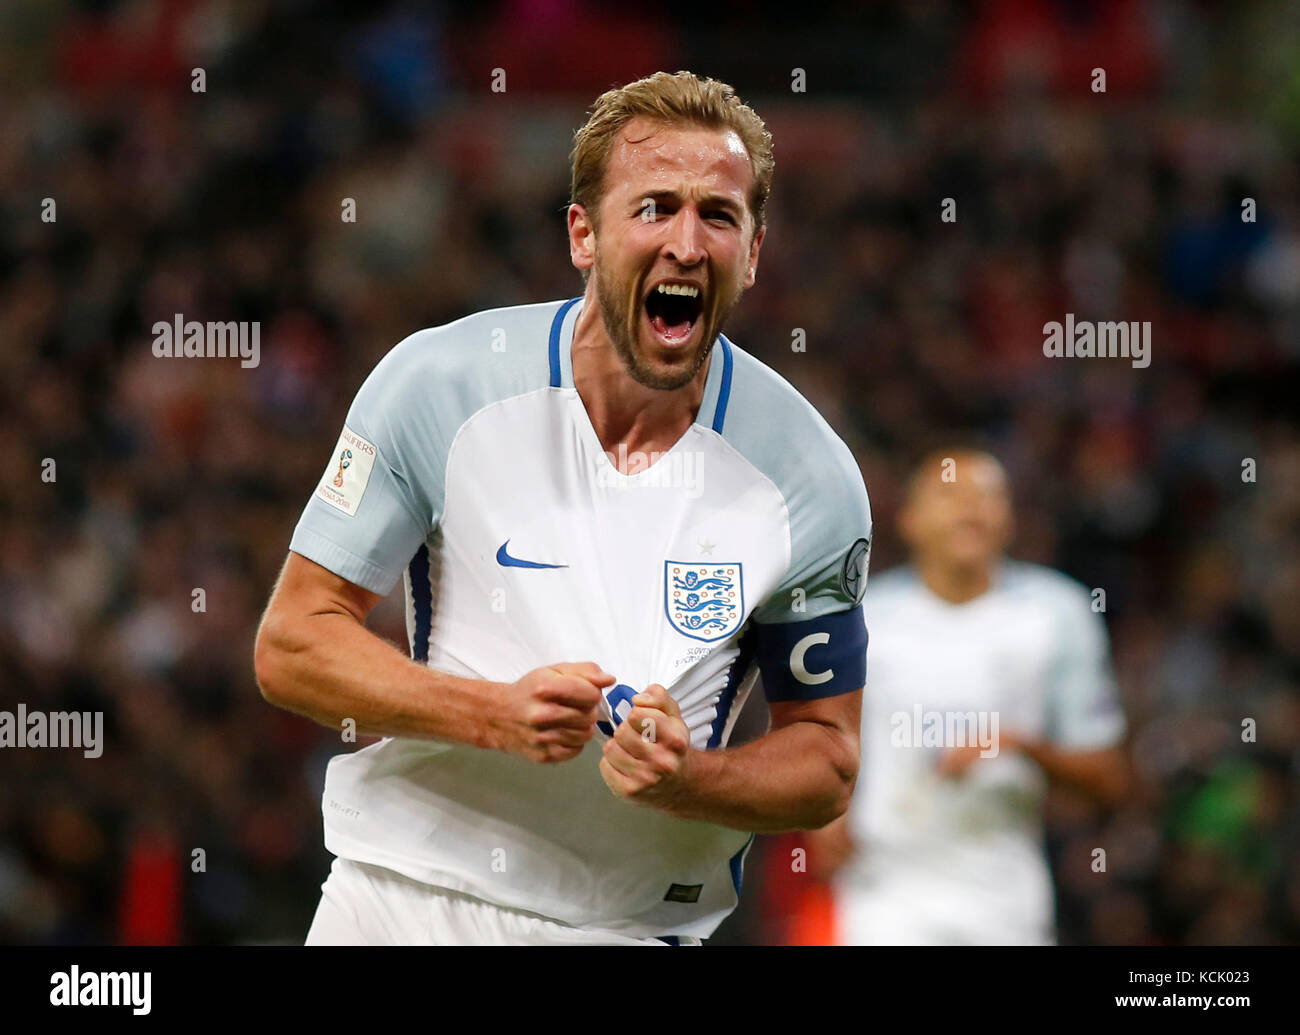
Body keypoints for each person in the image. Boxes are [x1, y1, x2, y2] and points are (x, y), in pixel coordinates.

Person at [253, 70, 873, 945]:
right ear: (584, 233)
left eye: (719, 216)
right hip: (395, 894)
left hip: (623, 923)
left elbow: (827, 758)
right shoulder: (437, 384)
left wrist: (685, 775)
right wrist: (493, 714)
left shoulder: (809, 478)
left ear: (756, 251)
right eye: (655, 207)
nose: (687, 245)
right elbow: (292, 644)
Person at [805, 448, 1128, 945]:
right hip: (887, 890)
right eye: (950, 494)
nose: (970, 508)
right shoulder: (863, 620)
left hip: (1004, 893)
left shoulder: (1056, 615)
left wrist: (1018, 746)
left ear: (1011, 518)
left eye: (988, 495)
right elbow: (819, 735)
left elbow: (1109, 779)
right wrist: (824, 818)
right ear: (909, 519)